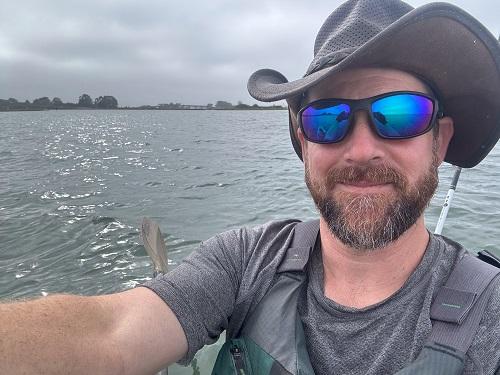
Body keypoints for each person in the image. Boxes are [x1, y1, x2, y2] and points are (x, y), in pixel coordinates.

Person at [1, 0, 500, 374]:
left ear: (440, 142)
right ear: (303, 142)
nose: (362, 149)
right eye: (328, 120)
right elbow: (112, 334)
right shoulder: (245, 262)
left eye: (401, 114)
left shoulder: (491, 312)